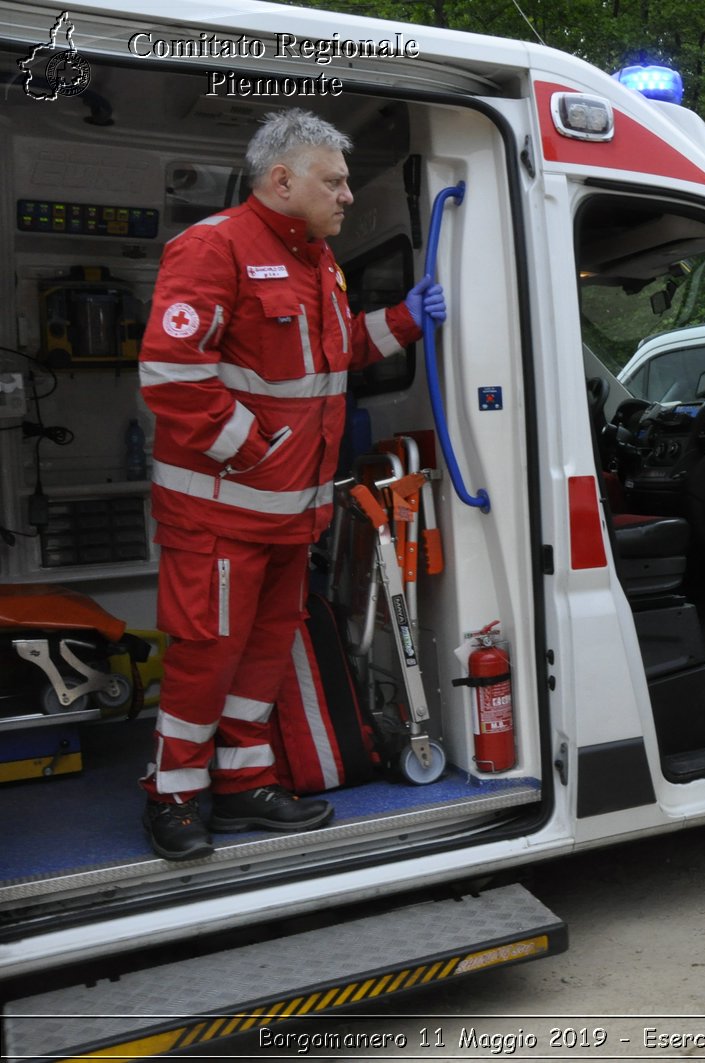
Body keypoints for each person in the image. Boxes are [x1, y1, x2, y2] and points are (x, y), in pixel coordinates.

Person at [137, 109, 446, 861]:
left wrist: (406, 318)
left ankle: (243, 785)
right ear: (282, 180)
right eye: (333, 181)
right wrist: (256, 449)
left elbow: (335, 354)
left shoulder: (320, 264)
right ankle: (172, 793)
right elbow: (172, 375)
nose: (346, 196)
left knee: (264, 654)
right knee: (207, 655)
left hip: (289, 516)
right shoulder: (213, 247)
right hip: (219, 514)